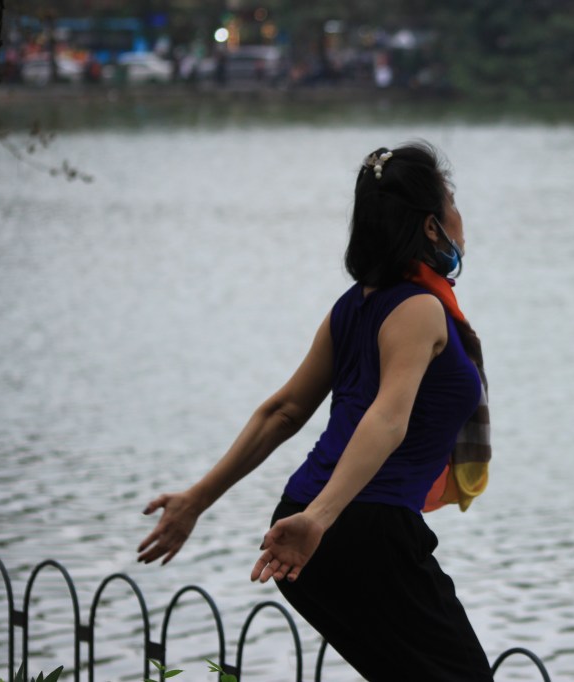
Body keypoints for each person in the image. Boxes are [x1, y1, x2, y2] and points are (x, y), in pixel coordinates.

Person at [136, 142, 493, 681]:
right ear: (429, 226)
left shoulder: (353, 307)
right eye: (452, 202)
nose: (460, 218)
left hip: (303, 517)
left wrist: (198, 499)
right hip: (356, 527)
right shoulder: (420, 310)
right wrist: (320, 520)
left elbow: (282, 412)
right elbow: (386, 419)